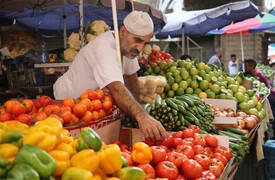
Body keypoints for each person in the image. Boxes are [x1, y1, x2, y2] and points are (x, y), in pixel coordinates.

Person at [53, 11, 167, 141]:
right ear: (123, 31)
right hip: (67, 103)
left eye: (145, 43)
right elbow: (117, 88)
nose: (140, 48)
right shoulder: (104, 48)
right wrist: (142, 116)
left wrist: (135, 115)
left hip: (90, 108)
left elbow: (131, 78)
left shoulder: (128, 47)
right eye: (138, 40)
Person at [244, 59, 275, 134]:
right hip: (269, 95)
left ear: (251, 66)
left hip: (270, 96)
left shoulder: (257, 73)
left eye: (246, 66)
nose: (245, 68)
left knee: (273, 118)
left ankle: (273, 135)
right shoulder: (254, 72)